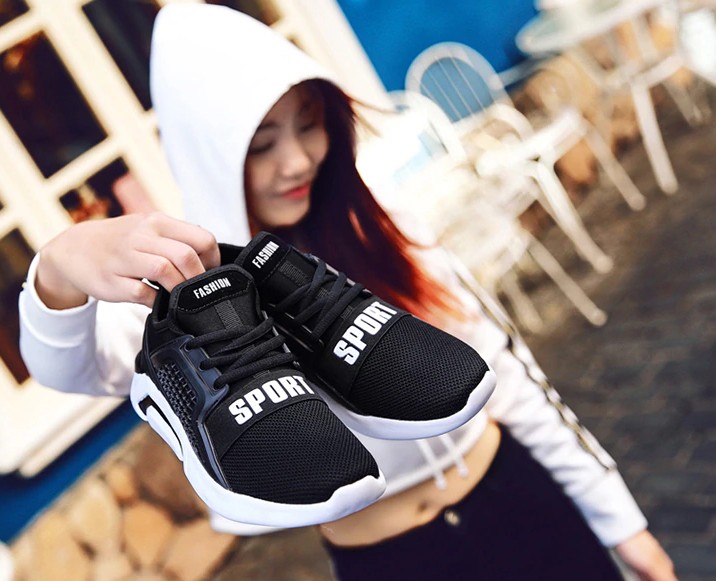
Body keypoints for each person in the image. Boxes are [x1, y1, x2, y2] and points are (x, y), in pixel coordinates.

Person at [19, 4, 676, 580]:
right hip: (394, 560)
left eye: (309, 125)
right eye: (262, 144)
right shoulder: (183, 301)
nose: (298, 160)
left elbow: (507, 376)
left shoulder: (383, 228)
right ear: (207, 154)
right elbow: (70, 367)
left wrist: (621, 522)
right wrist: (59, 266)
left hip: (519, 499)